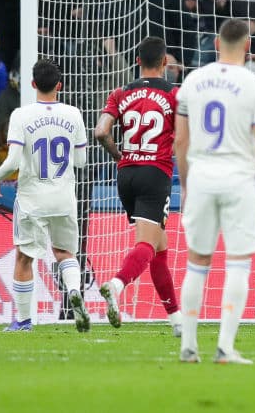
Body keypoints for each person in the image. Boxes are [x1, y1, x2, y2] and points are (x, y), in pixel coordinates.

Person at [174, 19, 255, 364]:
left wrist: (188, 187)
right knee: (238, 263)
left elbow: (180, 141)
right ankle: (224, 347)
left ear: (217, 43)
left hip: (203, 176)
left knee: (197, 262)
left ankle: (188, 346)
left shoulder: (193, 80)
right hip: (239, 179)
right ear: (248, 45)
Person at [0, 59, 90, 333]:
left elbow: (14, 160)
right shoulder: (74, 113)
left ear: (32, 84)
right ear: (59, 85)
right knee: (65, 252)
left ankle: (24, 321)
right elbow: (81, 160)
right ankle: (75, 291)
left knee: (24, 258)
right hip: (64, 197)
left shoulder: (20, 115)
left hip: (32, 199)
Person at [93, 37, 181, 335]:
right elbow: (182, 138)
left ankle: (176, 319)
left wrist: (119, 154)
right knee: (147, 244)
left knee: (159, 247)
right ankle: (115, 285)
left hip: (126, 174)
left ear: (137, 61)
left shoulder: (120, 92)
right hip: (155, 173)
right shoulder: (174, 95)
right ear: (165, 62)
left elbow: (101, 130)